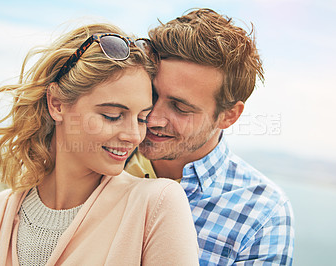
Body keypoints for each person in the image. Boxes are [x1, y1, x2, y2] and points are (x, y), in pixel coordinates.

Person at [0, 23, 199, 265]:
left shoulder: (157, 204)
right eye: (111, 116)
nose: (133, 135)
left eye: (141, 119)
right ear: (57, 104)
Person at [125, 8, 294, 265]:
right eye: (151, 94)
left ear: (229, 116)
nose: (152, 119)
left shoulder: (263, 214)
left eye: (181, 108)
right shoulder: (99, 161)